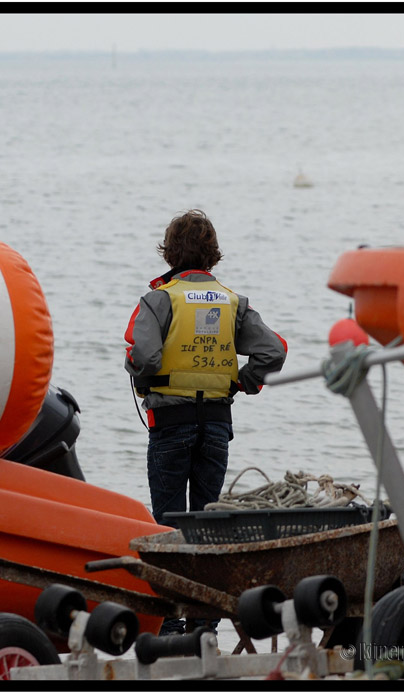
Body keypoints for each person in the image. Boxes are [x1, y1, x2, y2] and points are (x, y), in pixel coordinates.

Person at [124, 209, 286, 633]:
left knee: (168, 525)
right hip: (215, 424)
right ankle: (204, 626)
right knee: (207, 525)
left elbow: (144, 357)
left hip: (170, 425)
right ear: (212, 255)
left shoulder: (159, 299)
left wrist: (140, 376)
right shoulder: (233, 302)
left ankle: (170, 625)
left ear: (170, 252)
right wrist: (242, 383)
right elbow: (274, 353)